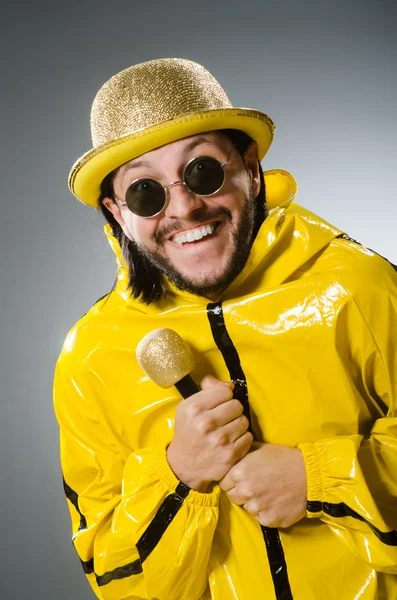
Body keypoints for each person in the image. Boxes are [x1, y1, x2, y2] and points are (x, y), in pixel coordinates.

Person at [54, 58, 397, 600]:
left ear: (251, 170)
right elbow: (116, 580)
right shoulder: (90, 357)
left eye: (202, 172)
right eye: (146, 191)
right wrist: (179, 475)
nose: (186, 207)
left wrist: (320, 481)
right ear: (118, 214)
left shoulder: (361, 289)